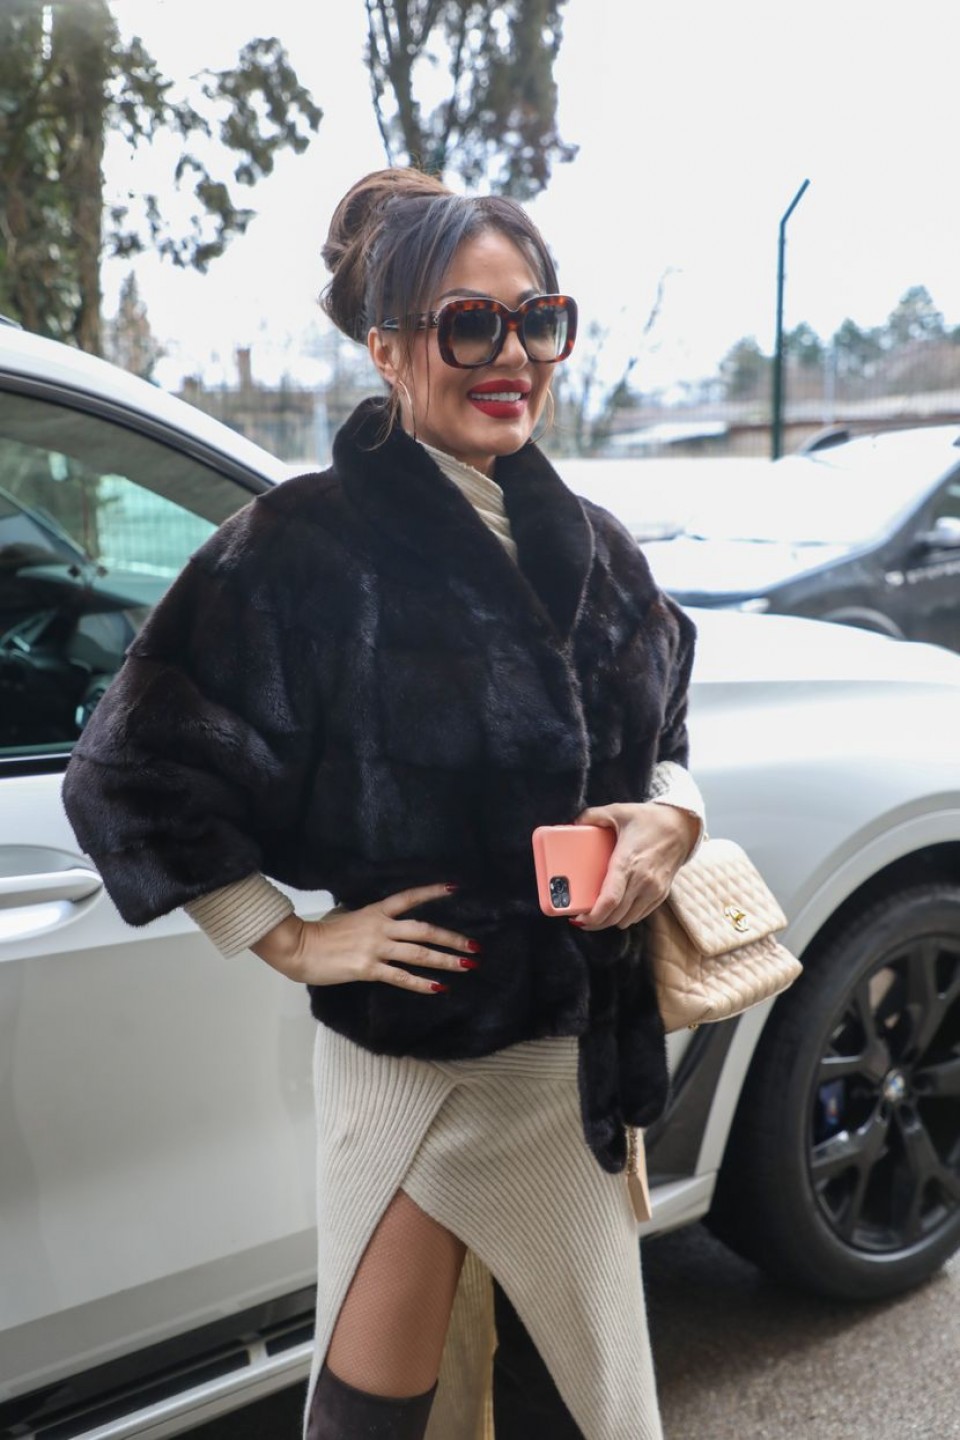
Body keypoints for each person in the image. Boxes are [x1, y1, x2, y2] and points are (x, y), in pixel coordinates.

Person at [62, 166, 705, 1440]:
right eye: (470, 324)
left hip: (580, 1071)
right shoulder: (301, 549)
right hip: (420, 1071)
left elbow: (668, 736)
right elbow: (128, 771)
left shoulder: (599, 544)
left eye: (538, 320)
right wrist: (291, 938)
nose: (511, 355)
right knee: (374, 1417)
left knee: (590, 1414)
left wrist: (671, 821)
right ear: (389, 347)